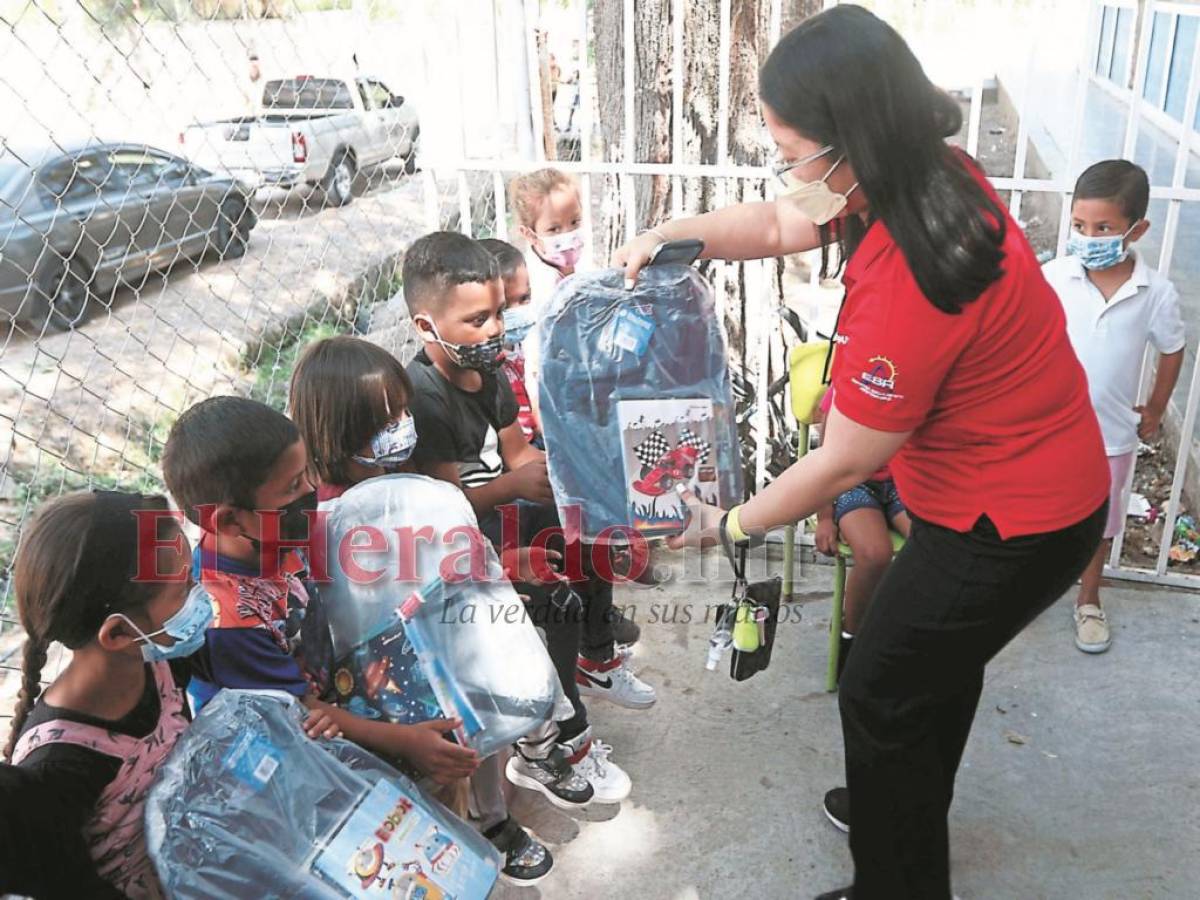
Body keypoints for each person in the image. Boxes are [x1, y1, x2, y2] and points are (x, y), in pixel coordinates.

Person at [615, 7, 1109, 899]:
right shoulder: (921, 177)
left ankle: (897, 878)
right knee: (925, 676)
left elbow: (844, 462)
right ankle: (904, 807)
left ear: (854, 142)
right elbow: (773, 224)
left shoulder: (917, 268)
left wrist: (726, 521)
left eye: (795, 150)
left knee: (878, 690)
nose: (787, 169)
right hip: (1026, 492)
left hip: (1014, 523)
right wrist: (666, 238)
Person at [288, 334, 557, 884]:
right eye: (386, 418)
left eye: (404, 410)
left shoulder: (415, 494)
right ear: (339, 430)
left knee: (475, 743)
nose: (403, 425)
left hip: (450, 661)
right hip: (381, 700)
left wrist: (504, 564)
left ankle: (493, 822)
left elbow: (444, 573)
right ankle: (456, 849)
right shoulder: (317, 527)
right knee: (427, 795)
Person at [400, 231, 653, 804]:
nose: (494, 329)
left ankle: (596, 656)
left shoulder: (485, 371)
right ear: (425, 326)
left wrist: (572, 474)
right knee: (555, 598)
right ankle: (561, 741)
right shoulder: (423, 397)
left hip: (495, 514)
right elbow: (445, 510)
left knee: (590, 521)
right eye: (477, 319)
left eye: (497, 313)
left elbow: (518, 452)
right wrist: (514, 486)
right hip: (451, 541)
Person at [161, 397, 480, 788]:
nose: (311, 490)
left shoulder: (270, 533)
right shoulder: (228, 620)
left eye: (307, 473)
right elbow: (295, 713)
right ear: (228, 520)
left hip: (325, 692)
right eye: (293, 485)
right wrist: (407, 742)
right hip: (284, 746)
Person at [1, 491, 206, 898]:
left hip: (199, 847)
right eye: (183, 587)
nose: (198, 591)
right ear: (117, 633)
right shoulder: (59, 764)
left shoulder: (157, 658)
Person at [1043, 159, 1186, 654]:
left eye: (1103, 227)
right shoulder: (1054, 277)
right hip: (1046, 432)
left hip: (1111, 437)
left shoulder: (1155, 292)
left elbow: (1172, 348)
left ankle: (1087, 600)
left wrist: (1155, 407)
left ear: (1136, 229)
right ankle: (1027, 590)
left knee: (1101, 525)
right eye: (1080, 226)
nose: (1088, 237)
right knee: (1039, 511)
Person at [813, 387, 911, 681]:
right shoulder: (844, 392)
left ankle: (900, 635)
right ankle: (851, 638)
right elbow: (824, 461)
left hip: (904, 481)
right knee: (873, 554)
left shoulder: (916, 384)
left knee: (932, 547)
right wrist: (825, 517)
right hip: (853, 483)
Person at [478, 238, 542, 445]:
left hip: (537, 438)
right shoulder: (484, 361)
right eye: (505, 307)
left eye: (524, 298)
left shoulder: (528, 345)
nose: (518, 311)